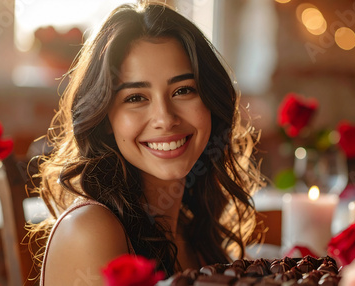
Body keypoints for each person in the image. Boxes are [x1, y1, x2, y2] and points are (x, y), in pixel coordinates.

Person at [29, 2, 265, 285]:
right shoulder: (90, 230)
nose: (165, 119)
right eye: (135, 98)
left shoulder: (194, 232)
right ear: (105, 118)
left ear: (211, 103)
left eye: (183, 90)